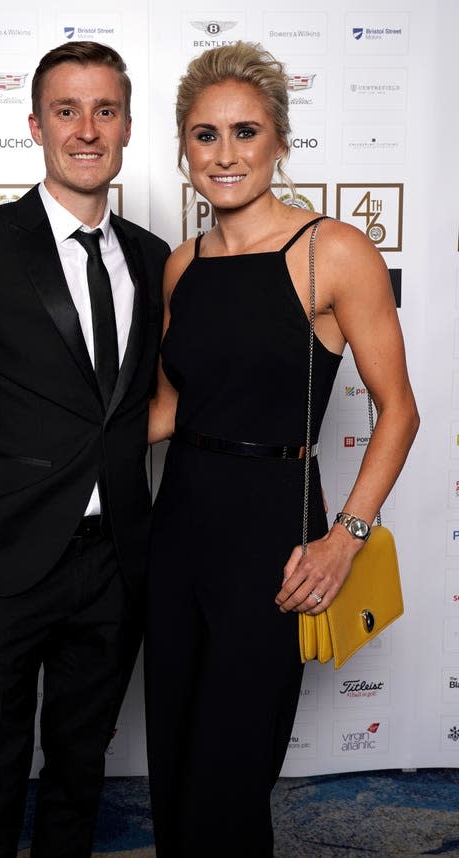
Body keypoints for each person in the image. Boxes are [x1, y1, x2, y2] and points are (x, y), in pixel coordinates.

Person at [144, 41, 419, 857]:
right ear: (185, 148)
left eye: (244, 132)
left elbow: (398, 411)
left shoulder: (331, 251)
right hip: (179, 528)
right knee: (175, 760)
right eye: (204, 135)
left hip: (276, 532)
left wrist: (347, 536)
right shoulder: (181, 265)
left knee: (231, 773)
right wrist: (44, 450)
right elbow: (166, 408)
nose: (225, 154)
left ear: (278, 141)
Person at [0, 40, 169, 858]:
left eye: (105, 110)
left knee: (79, 773)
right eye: (67, 111)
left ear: (127, 127)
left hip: (115, 563)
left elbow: (133, 409)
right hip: (4, 559)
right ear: (36, 125)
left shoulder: (158, 261)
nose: (86, 130)